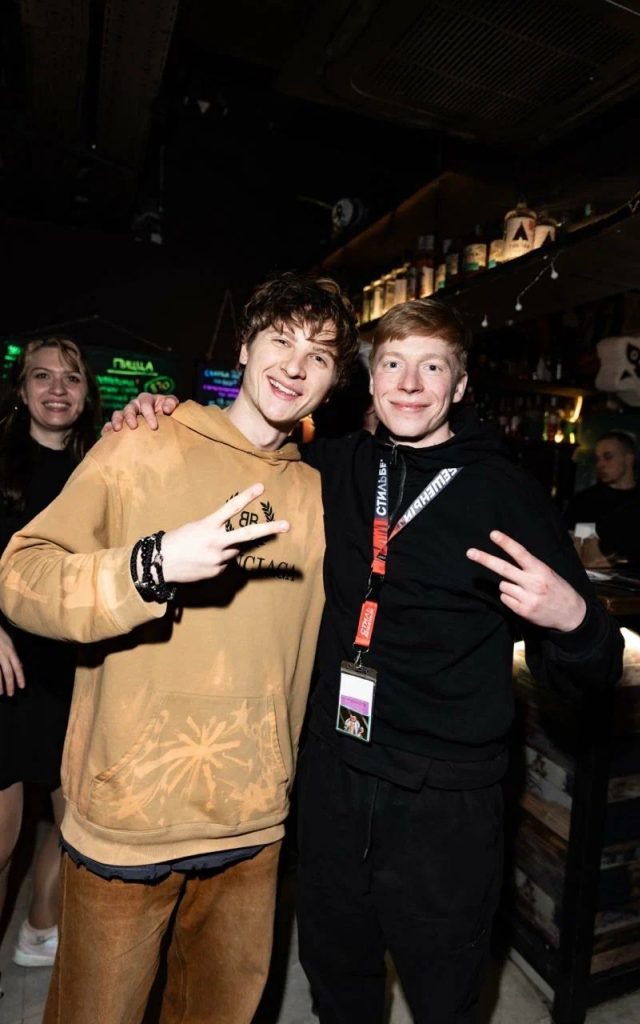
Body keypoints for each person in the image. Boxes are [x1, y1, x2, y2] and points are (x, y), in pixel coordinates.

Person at [107, 297, 623, 1024]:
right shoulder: (333, 466)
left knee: (443, 993)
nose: (410, 384)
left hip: (444, 797)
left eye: (431, 367)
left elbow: (594, 675)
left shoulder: (508, 493)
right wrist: (166, 414)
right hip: (335, 775)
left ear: (459, 386)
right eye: (393, 364)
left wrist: (574, 620)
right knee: (336, 975)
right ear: (371, 380)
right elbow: (243, 453)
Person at [0, 272, 358, 1024]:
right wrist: (150, 566)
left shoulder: (321, 496)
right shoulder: (144, 443)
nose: (296, 367)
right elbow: (22, 576)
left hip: (253, 820)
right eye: (281, 341)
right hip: (128, 818)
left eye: (320, 356)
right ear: (244, 346)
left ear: (334, 382)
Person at [0, 337, 101, 978]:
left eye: (71, 377)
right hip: (6, 670)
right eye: (42, 376)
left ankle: (40, 926)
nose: (57, 389)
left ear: (87, 394)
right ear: (21, 389)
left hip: (77, 669)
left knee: (81, 824)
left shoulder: (103, 467)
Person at [564, 430, 640, 531]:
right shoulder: (584, 503)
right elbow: (578, 539)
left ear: (628, 459)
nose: (600, 464)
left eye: (608, 457)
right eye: (598, 459)